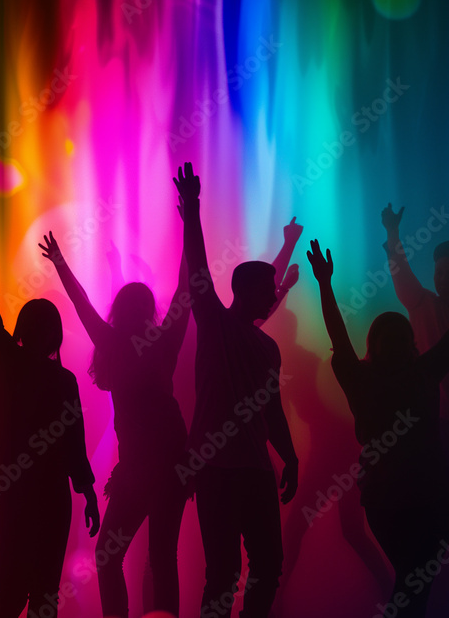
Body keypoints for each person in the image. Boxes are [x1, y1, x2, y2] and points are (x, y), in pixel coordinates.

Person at [40, 230, 190, 618]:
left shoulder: (114, 343)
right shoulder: (164, 343)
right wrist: (191, 219)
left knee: (112, 556)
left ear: (119, 312)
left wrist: (60, 263)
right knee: (161, 558)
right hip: (170, 463)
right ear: (148, 311)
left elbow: (82, 304)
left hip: (141, 468)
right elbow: (185, 292)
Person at [0, 203, 99, 618]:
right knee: (42, 597)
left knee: (9, 595)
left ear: (22, 330)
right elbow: (75, 447)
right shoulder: (64, 381)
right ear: (54, 334)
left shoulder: (8, 360)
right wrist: (88, 491)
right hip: (53, 498)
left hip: (15, 495)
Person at [174, 162, 298, 618]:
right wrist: (191, 211)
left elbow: (272, 410)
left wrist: (290, 456)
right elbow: (199, 273)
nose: (275, 292)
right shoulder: (217, 325)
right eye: (269, 287)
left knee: (267, 566)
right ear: (244, 292)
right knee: (224, 573)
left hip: (255, 471)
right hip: (219, 470)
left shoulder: (267, 347)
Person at [308, 239, 449, 618]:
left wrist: (325, 284)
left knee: (412, 584)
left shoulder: (362, 378)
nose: (400, 345)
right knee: (414, 585)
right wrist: (323, 285)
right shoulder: (420, 373)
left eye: (401, 339)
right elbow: (338, 335)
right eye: (397, 339)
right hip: (421, 497)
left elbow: (339, 337)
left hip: (393, 499)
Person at [381, 204, 449, 418]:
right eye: (438, 272)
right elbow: (402, 274)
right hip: (433, 417)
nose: (442, 278)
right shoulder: (424, 304)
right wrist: (393, 233)